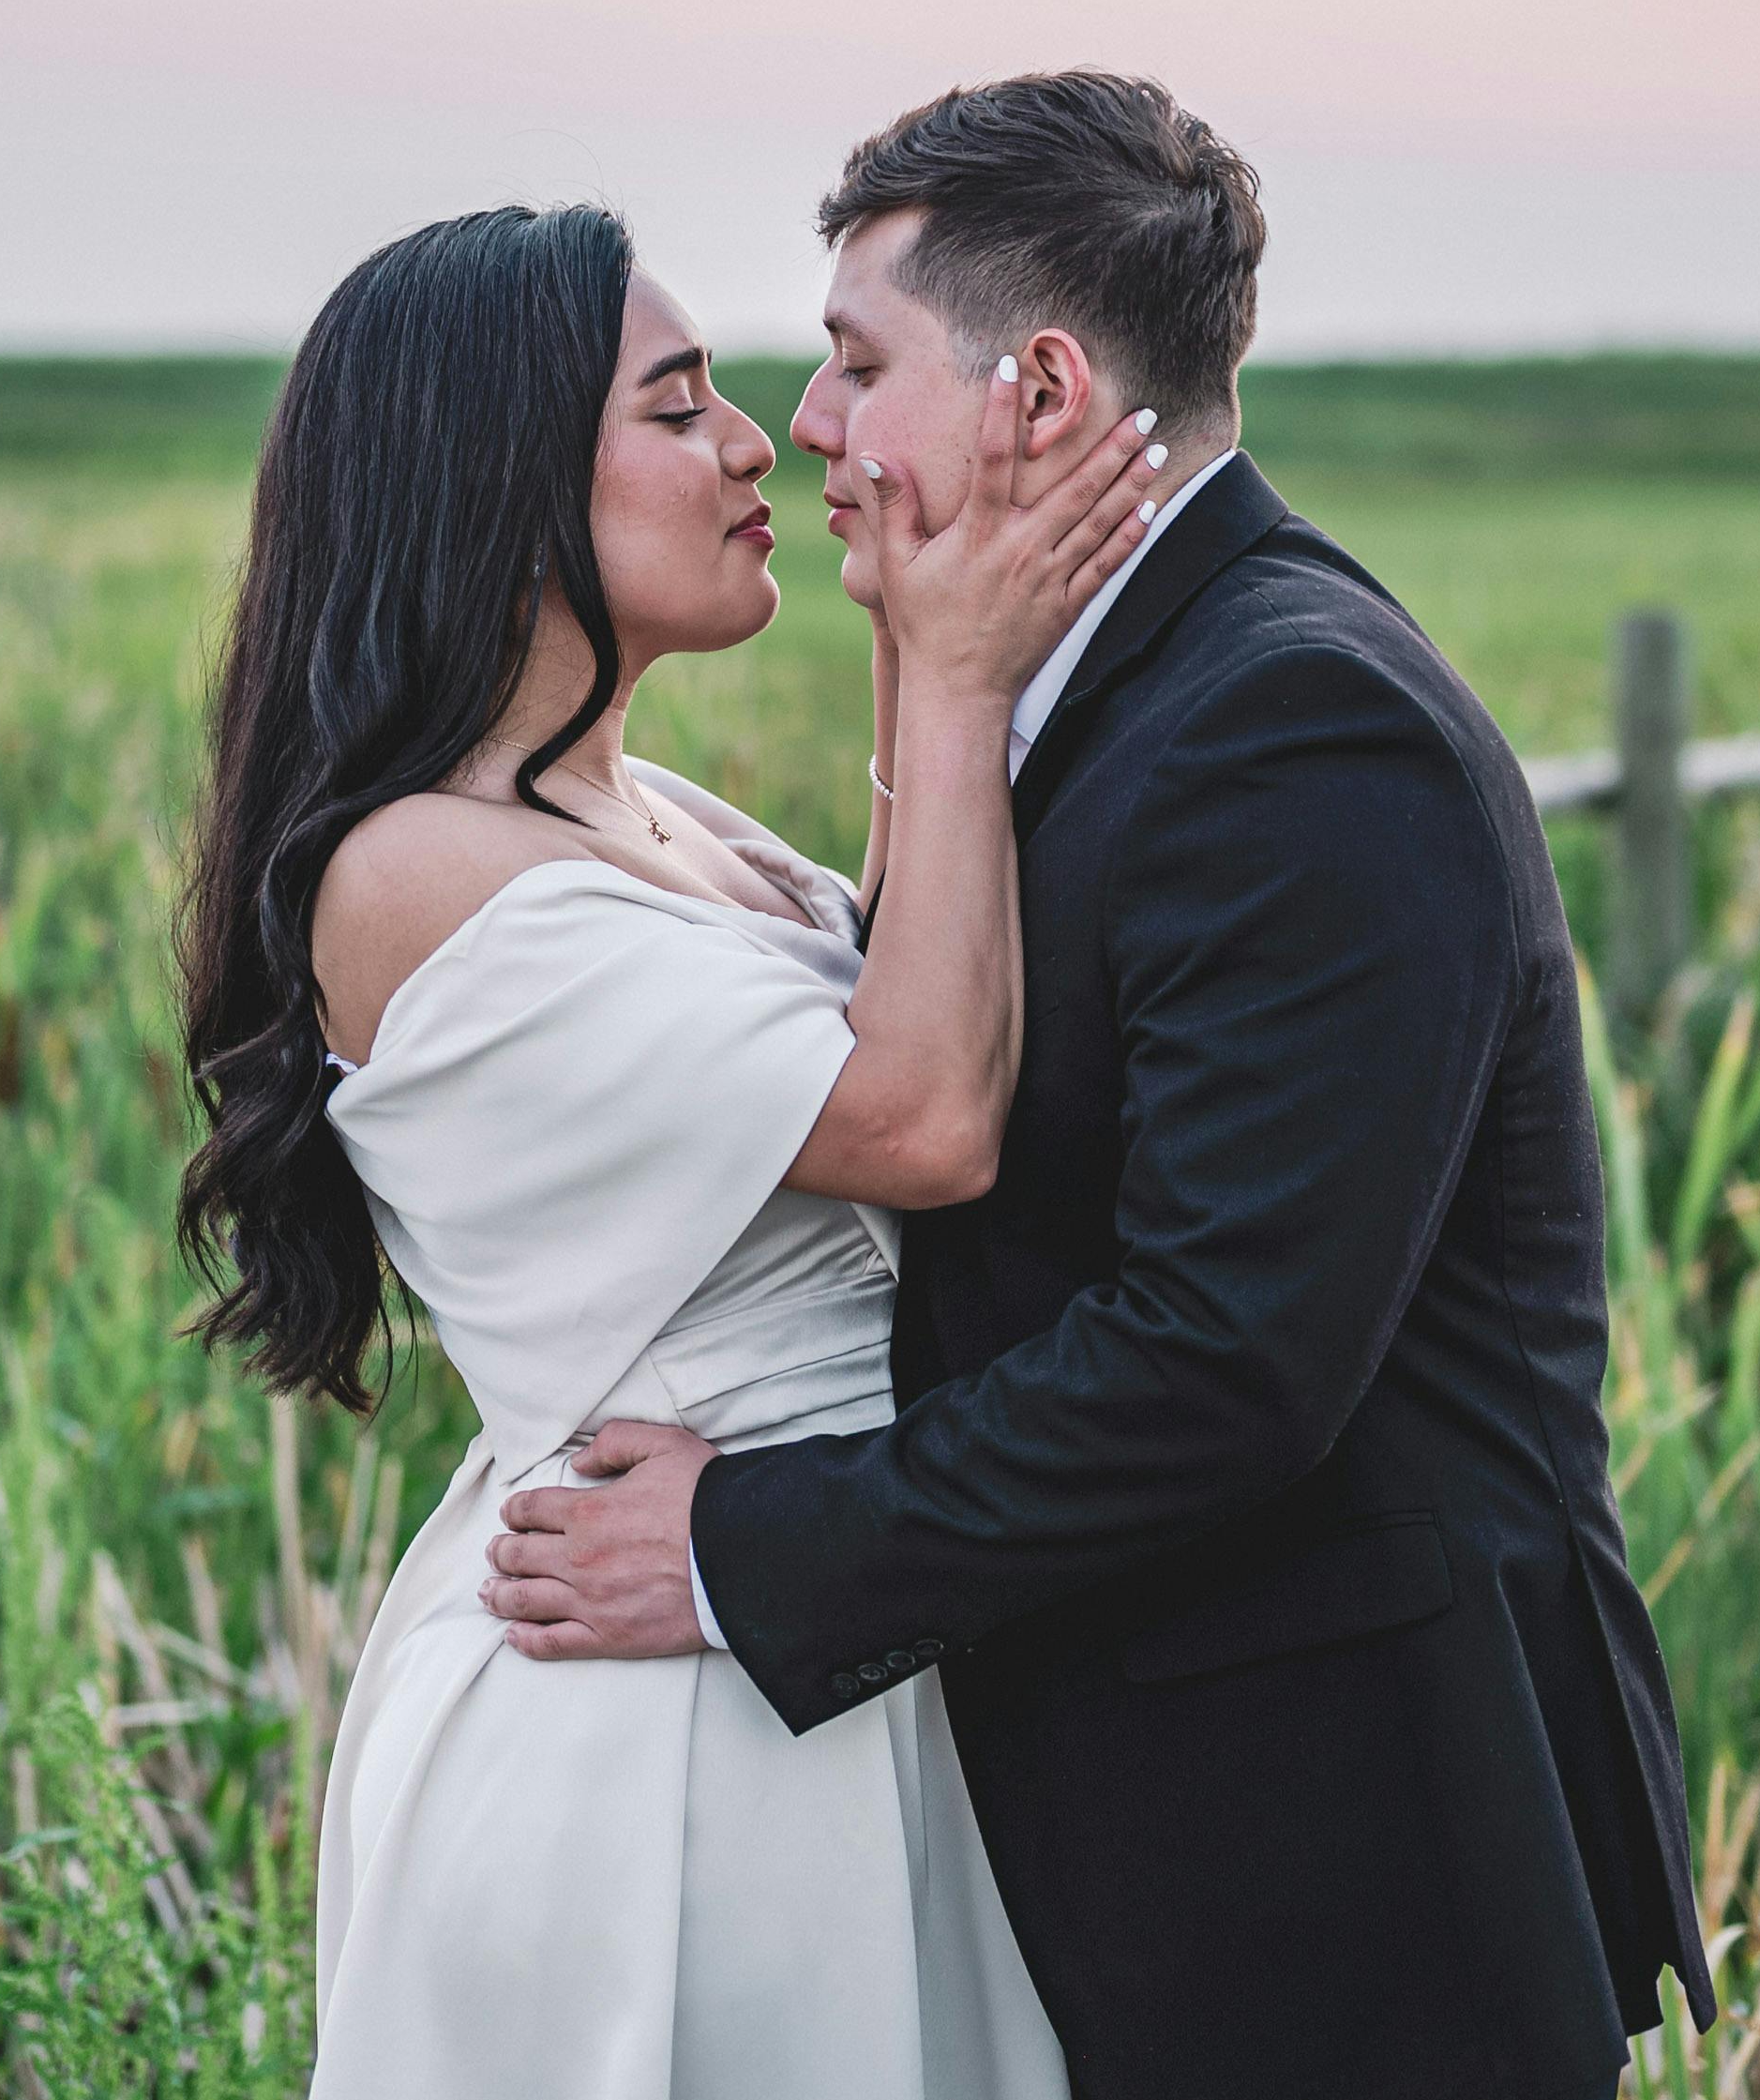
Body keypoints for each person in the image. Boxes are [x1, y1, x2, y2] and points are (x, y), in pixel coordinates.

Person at [482, 76, 1716, 2099]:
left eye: (859, 360)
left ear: (1038, 390)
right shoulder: (1120, 687)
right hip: (1171, 1833)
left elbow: (1225, 1357)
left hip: (1345, 1861)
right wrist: (927, 677)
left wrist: (735, 1547)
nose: (811, 424)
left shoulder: (1292, 717)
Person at [173, 201, 1161, 2100]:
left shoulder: (640, 809)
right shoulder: (417, 869)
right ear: (498, 478)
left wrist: (910, 641)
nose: (757, 442)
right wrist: (958, 671)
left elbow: (896, 993)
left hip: (811, 1624)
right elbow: (923, 1114)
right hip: (663, 1729)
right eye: (677, 403)